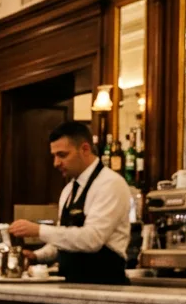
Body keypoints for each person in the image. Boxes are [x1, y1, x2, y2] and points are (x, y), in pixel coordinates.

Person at [7, 120, 131, 285]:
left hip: (105, 287)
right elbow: (64, 240)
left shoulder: (110, 183)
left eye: (62, 155)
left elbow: (92, 239)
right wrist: (37, 256)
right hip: (70, 285)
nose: (56, 163)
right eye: (54, 156)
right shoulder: (68, 190)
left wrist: (38, 230)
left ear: (85, 149)